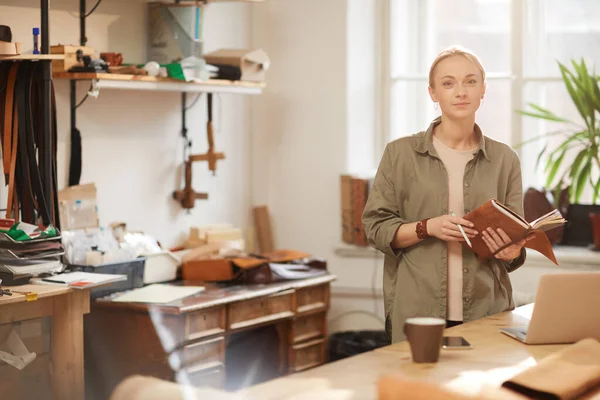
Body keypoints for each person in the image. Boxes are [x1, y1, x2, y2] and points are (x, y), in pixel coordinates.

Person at [362, 45, 533, 343]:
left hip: (488, 311)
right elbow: (375, 228)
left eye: (470, 81)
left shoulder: (505, 159)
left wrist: (513, 251)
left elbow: (512, 245)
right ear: (433, 93)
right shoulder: (399, 154)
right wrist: (427, 227)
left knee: (482, 392)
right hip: (417, 312)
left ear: (483, 90)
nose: (460, 92)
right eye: (448, 83)